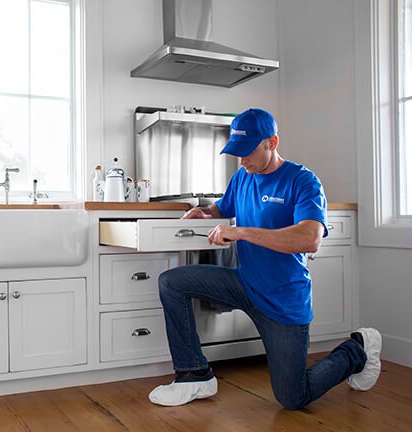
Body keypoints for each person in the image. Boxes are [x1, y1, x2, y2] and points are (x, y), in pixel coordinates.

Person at [148, 108, 382, 409]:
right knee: (172, 282)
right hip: (244, 284)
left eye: (247, 151)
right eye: (236, 152)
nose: (241, 160)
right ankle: (194, 374)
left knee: (293, 397)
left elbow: (309, 239)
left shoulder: (303, 181)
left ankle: (357, 350)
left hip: (283, 300)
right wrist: (205, 213)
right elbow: (222, 207)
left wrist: (242, 232)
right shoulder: (242, 177)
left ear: (272, 143)